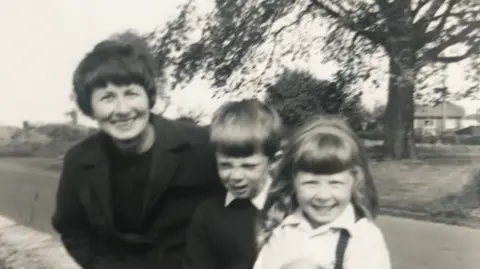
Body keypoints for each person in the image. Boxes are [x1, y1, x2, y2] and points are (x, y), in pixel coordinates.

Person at [51, 31, 223, 269]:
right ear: (90, 107)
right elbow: (72, 229)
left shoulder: (202, 146)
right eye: (107, 97)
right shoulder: (78, 161)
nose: (122, 110)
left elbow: (238, 213)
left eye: (131, 93)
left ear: (149, 96)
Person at [254, 115, 390, 269]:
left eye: (335, 183)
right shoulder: (283, 232)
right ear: (292, 182)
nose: (323, 195)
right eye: (310, 183)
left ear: (354, 180)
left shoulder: (363, 237)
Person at [182, 99, 284, 269]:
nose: (236, 176)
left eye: (249, 166)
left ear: (274, 161)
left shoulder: (289, 204)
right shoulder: (208, 215)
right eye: (225, 165)